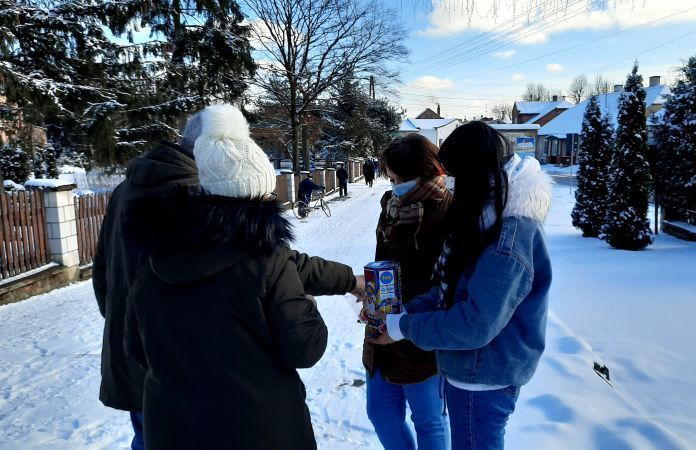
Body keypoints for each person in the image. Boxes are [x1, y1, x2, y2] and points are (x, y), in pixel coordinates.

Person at [123, 104, 366, 450]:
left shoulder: (156, 256)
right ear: (255, 195)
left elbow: (135, 345)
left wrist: (347, 280)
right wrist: (307, 304)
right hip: (259, 428)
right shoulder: (266, 259)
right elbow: (306, 348)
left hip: (173, 430)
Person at [373, 121, 553, 450]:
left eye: (454, 177)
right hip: (467, 370)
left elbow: (473, 324)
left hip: (483, 377)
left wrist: (403, 326)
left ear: (474, 175)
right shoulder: (483, 219)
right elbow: (449, 289)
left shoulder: (507, 240)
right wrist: (401, 314)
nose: (447, 184)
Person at [93, 113, 202, 450]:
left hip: (128, 346)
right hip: (177, 356)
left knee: (146, 435)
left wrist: (119, 319)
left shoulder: (125, 189)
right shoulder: (195, 193)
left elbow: (102, 268)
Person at [363, 134, 453, 450]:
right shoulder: (391, 206)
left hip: (420, 333)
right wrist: (372, 298)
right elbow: (383, 263)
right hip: (381, 328)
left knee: (429, 421)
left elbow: (446, 282)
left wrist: (402, 317)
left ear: (425, 173)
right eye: (391, 179)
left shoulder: (448, 210)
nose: (394, 186)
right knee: (381, 416)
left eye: (400, 180)